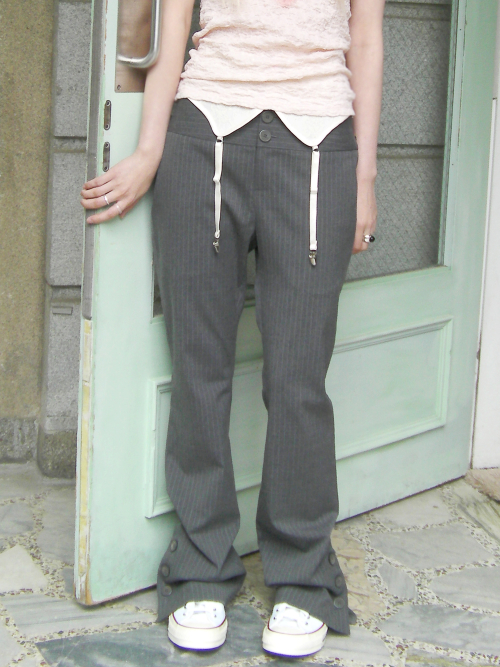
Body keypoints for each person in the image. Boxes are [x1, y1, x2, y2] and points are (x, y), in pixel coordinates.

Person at [81, 0, 385, 658]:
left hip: (320, 145)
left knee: (299, 381)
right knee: (199, 370)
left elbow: (366, 35)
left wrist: (364, 175)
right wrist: (150, 149)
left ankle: (304, 578)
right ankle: (199, 566)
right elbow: (173, 24)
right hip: (204, 136)